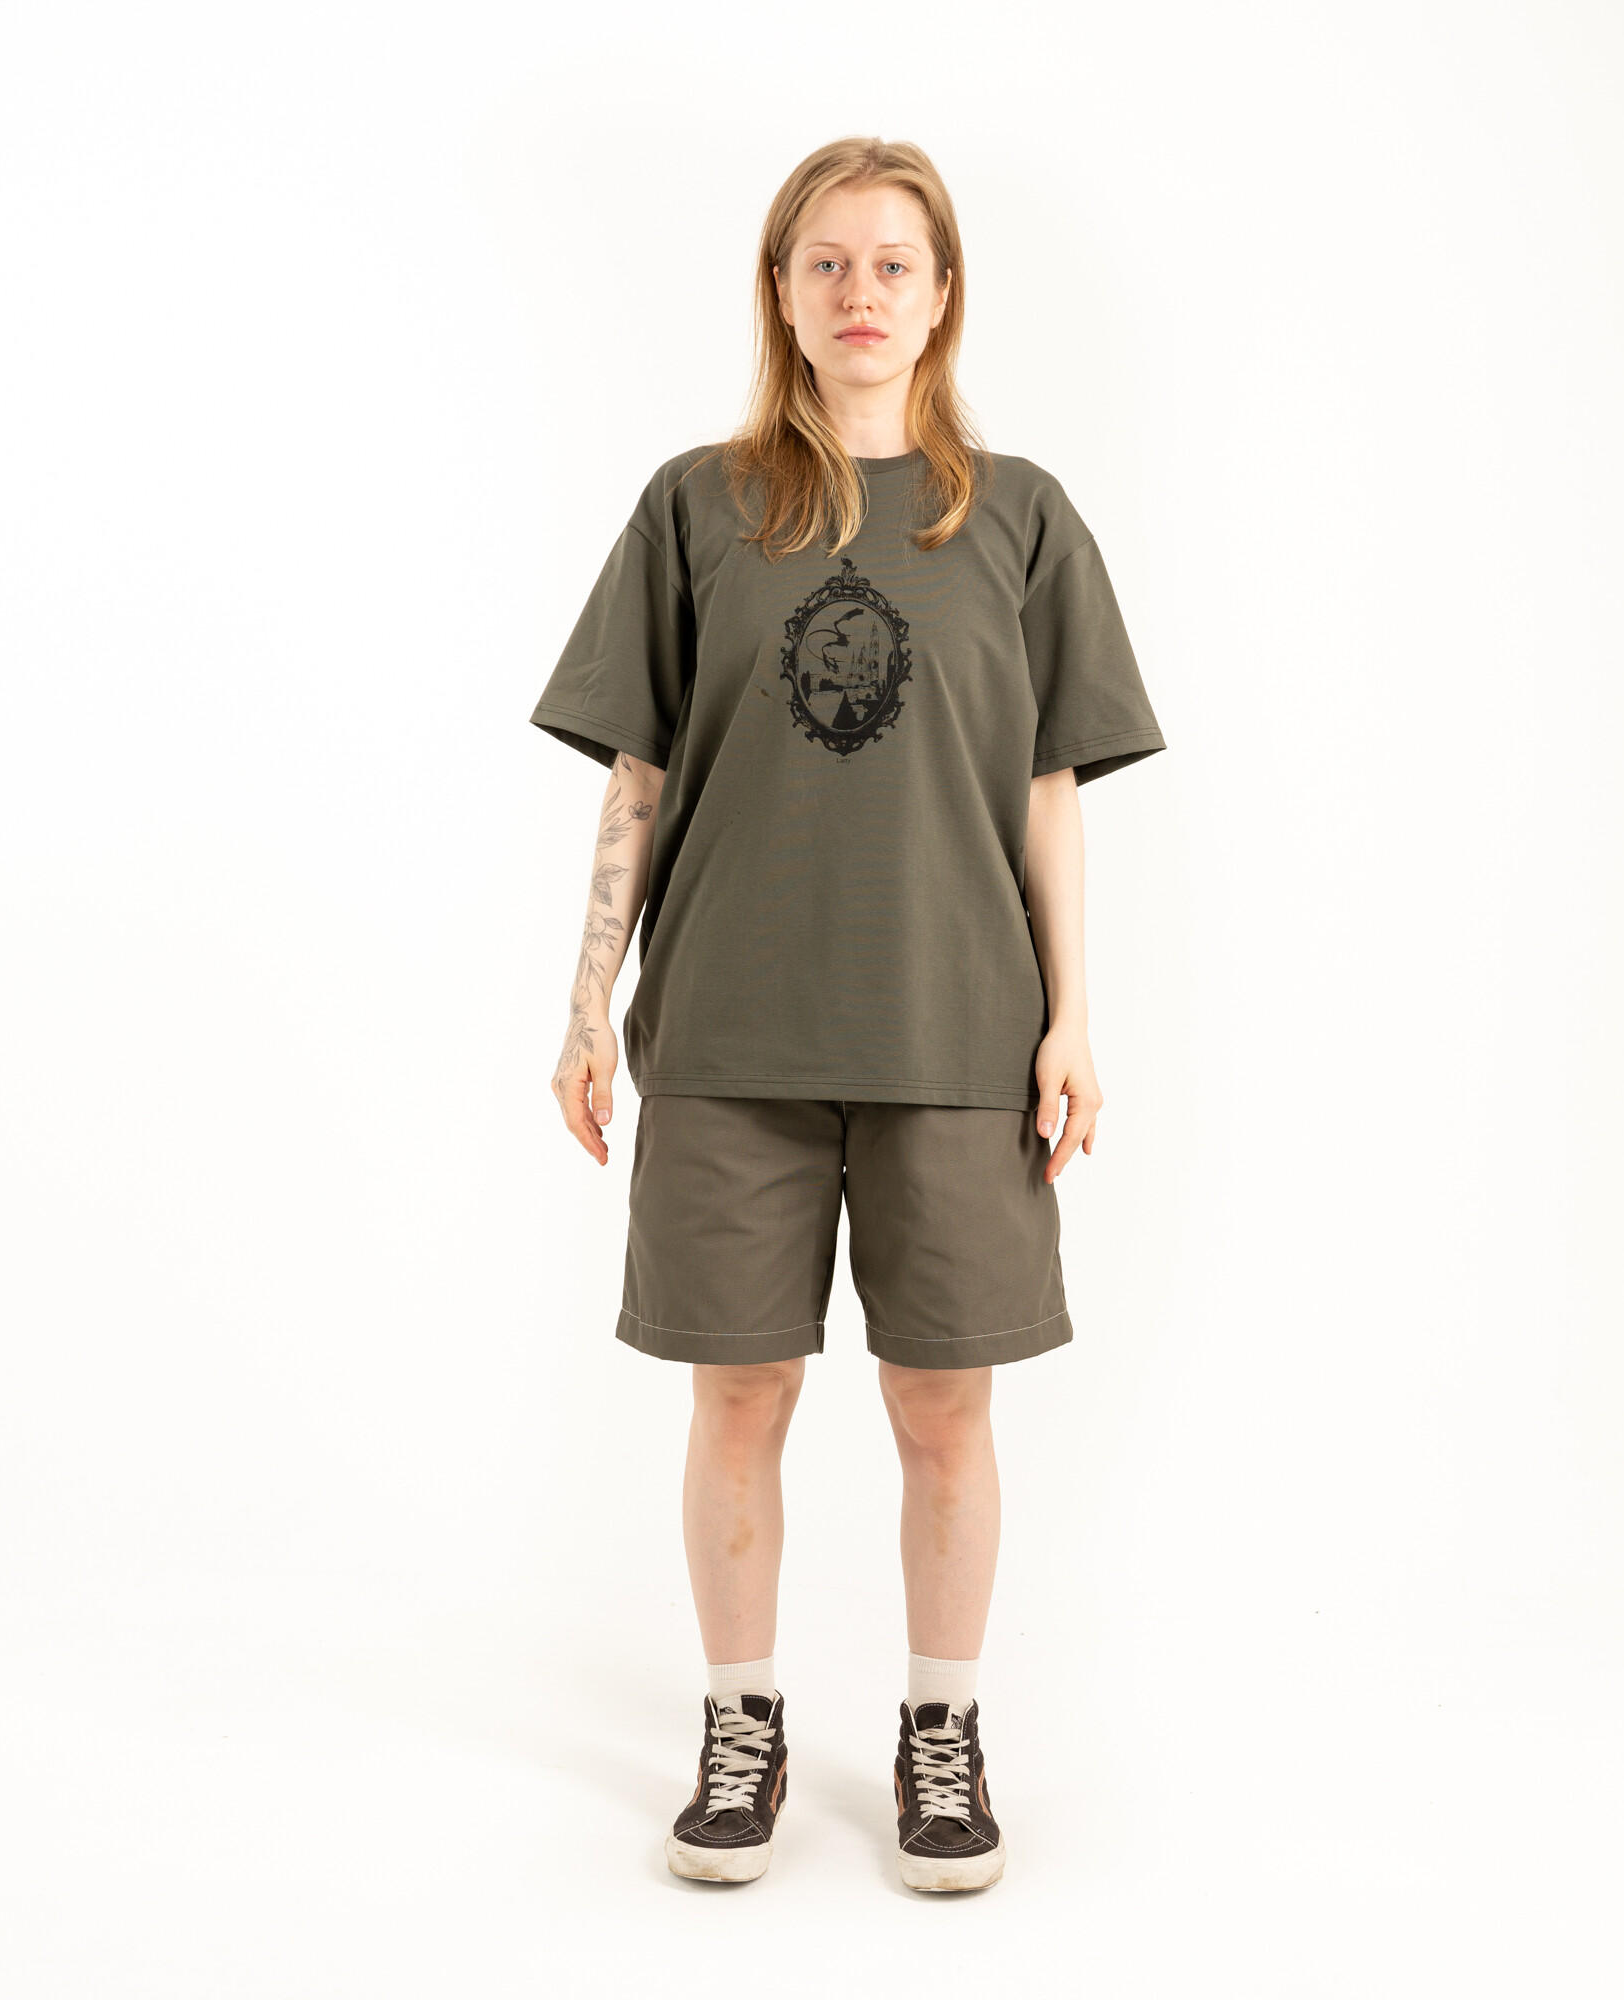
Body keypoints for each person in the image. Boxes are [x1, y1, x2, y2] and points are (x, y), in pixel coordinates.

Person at [530, 136, 1165, 1892]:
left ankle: (941, 1731)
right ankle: (740, 1720)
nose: (860, 292)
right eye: (827, 262)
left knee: (945, 1405)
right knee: (738, 1391)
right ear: (783, 293)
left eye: (893, 262)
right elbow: (641, 776)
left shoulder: (1016, 516)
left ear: (942, 295)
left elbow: (1049, 789)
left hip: (959, 1037)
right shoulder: (697, 505)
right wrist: (586, 1005)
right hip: (730, 1032)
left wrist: (1072, 1019)